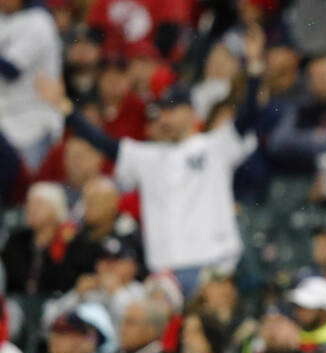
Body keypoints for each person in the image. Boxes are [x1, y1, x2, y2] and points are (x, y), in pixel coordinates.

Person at [34, 24, 267, 295]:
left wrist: (254, 67)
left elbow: (250, 114)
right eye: (162, 112)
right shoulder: (147, 156)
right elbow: (103, 144)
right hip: (165, 273)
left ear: (191, 113)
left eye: (172, 111)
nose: (165, 118)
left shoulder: (215, 145)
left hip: (215, 266)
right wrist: (66, 108)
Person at [0, 0, 62, 170]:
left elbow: (11, 69)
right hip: (6, 120)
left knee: (28, 187)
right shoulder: (4, 18)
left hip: (34, 123)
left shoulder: (39, 21)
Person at [287, 276, 326, 351]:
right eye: (297, 306)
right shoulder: (291, 338)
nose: (298, 312)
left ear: (324, 311)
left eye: (306, 306)